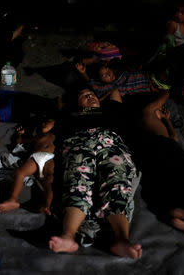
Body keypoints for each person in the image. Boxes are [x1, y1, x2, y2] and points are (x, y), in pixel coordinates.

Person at [48, 83, 142, 259]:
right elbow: (59, 101)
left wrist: (96, 97)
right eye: (84, 96)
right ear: (76, 103)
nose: (90, 96)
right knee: (77, 181)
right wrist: (76, 101)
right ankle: (68, 236)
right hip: (80, 142)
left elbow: (114, 91)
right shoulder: (72, 115)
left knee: (117, 182)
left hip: (111, 144)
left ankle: (122, 239)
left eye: (92, 94)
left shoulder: (110, 111)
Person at [129, 90, 184, 242]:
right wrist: (165, 91)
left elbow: (173, 139)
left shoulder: (150, 119)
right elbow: (165, 95)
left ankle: (175, 212)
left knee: (170, 179)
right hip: (159, 146)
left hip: (156, 151)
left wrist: (166, 120)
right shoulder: (148, 112)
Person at [0, 115, 56, 215]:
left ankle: (46, 206)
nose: (44, 123)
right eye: (43, 122)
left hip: (49, 158)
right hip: (39, 156)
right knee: (20, 173)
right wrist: (20, 134)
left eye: (48, 121)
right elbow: (20, 142)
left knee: (48, 181)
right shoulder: (37, 137)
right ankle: (12, 199)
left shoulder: (53, 135)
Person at [76, 59, 153, 101]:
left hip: (149, 74)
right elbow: (92, 84)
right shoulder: (108, 87)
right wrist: (83, 73)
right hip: (152, 88)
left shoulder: (119, 69)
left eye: (107, 69)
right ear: (101, 81)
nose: (108, 73)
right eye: (104, 75)